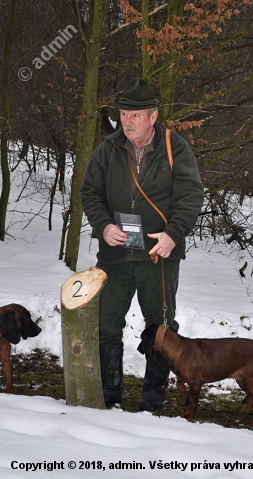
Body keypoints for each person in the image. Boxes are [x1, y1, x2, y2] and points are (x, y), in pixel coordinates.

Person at [81, 78, 204, 411]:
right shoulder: (107, 149)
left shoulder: (174, 147)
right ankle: (109, 391)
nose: (127, 121)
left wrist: (173, 233)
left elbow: (191, 196)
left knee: (161, 325)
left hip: (158, 255)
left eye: (135, 115)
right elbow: (90, 192)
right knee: (106, 322)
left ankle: (153, 394)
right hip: (115, 255)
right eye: (123, 114)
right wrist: (103, 226)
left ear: (153, 116)